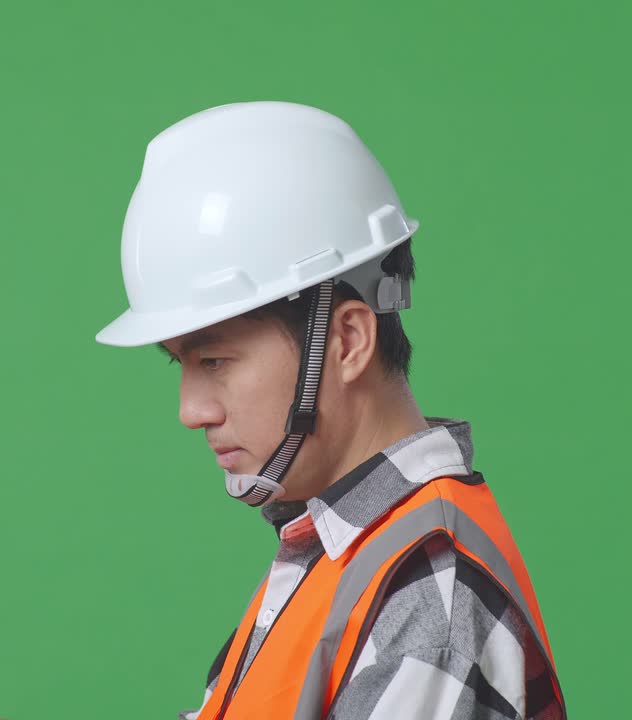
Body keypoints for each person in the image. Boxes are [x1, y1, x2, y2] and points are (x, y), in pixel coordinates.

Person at [95, 102, 567, 719]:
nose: (191, 410)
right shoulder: (341, 550)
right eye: (177, 363)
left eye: (214, 361)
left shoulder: (426, 589)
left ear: (346, 341)